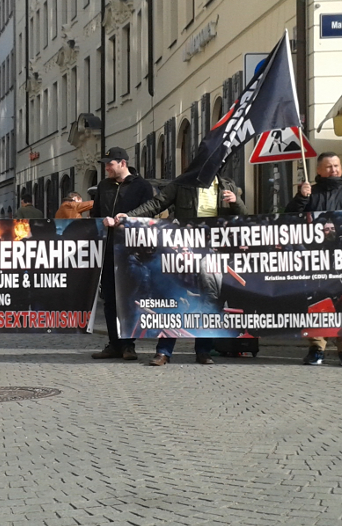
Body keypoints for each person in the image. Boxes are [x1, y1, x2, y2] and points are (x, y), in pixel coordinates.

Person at [114, 165, 246, 366]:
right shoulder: (181, 184)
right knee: (172, 297)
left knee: (210, 300)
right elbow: (157, 204)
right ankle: (164, 352)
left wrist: (236, 203)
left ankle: (203, 351)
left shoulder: (227, 185)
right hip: (182, 249)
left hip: (211, 252)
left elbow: (242, 216)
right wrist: (130, 216)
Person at [285, 152, 342, 367]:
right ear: (318, 170)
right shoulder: (310, 194)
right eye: (328, 167)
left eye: (336, 166)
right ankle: (317, 348)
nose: (333, 170)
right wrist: (301, 199)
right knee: (318, 303)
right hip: (316, 260)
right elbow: (288, 218)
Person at [91, 147, 154, 361]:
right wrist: (103, 221)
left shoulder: (142, 186)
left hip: (132, 252)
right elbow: (95, 215)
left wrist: (128, 219)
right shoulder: (103, 186)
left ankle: (129, 344)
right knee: (109, 299)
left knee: (129, 298)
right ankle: (114, 344)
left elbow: (151, 213)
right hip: (108, 251)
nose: (106, 167)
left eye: (110, 164)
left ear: (123, 163)